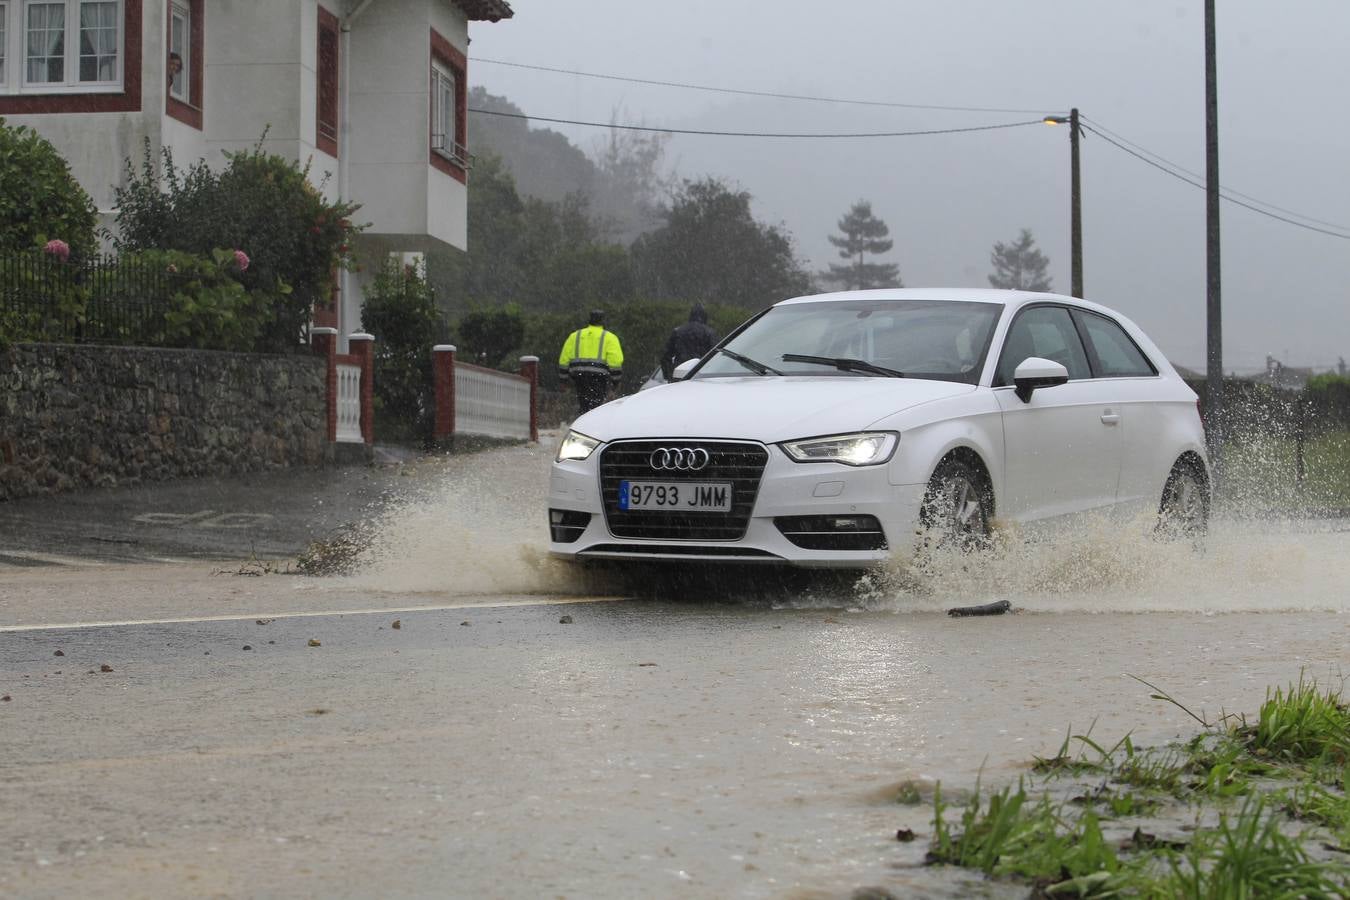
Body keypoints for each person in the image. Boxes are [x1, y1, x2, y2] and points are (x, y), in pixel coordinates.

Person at [558, 310, 624, 414]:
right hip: (599, 378)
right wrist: (616, 382)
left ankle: (582, 420)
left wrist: (563, 380)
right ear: (603, 321)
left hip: (579, 377)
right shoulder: (610, 338)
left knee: (583, 403)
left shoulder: (575, 336)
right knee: (596, 406)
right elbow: (615, 362)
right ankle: (592, 424)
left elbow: (563, 360)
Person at [660, 302, 717, 381]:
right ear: (705, 316)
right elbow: (715, 356)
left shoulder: (678, 332)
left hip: (679, 374)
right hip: (701, 375)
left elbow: (666, 356)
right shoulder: (709, 333)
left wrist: (669, 375)